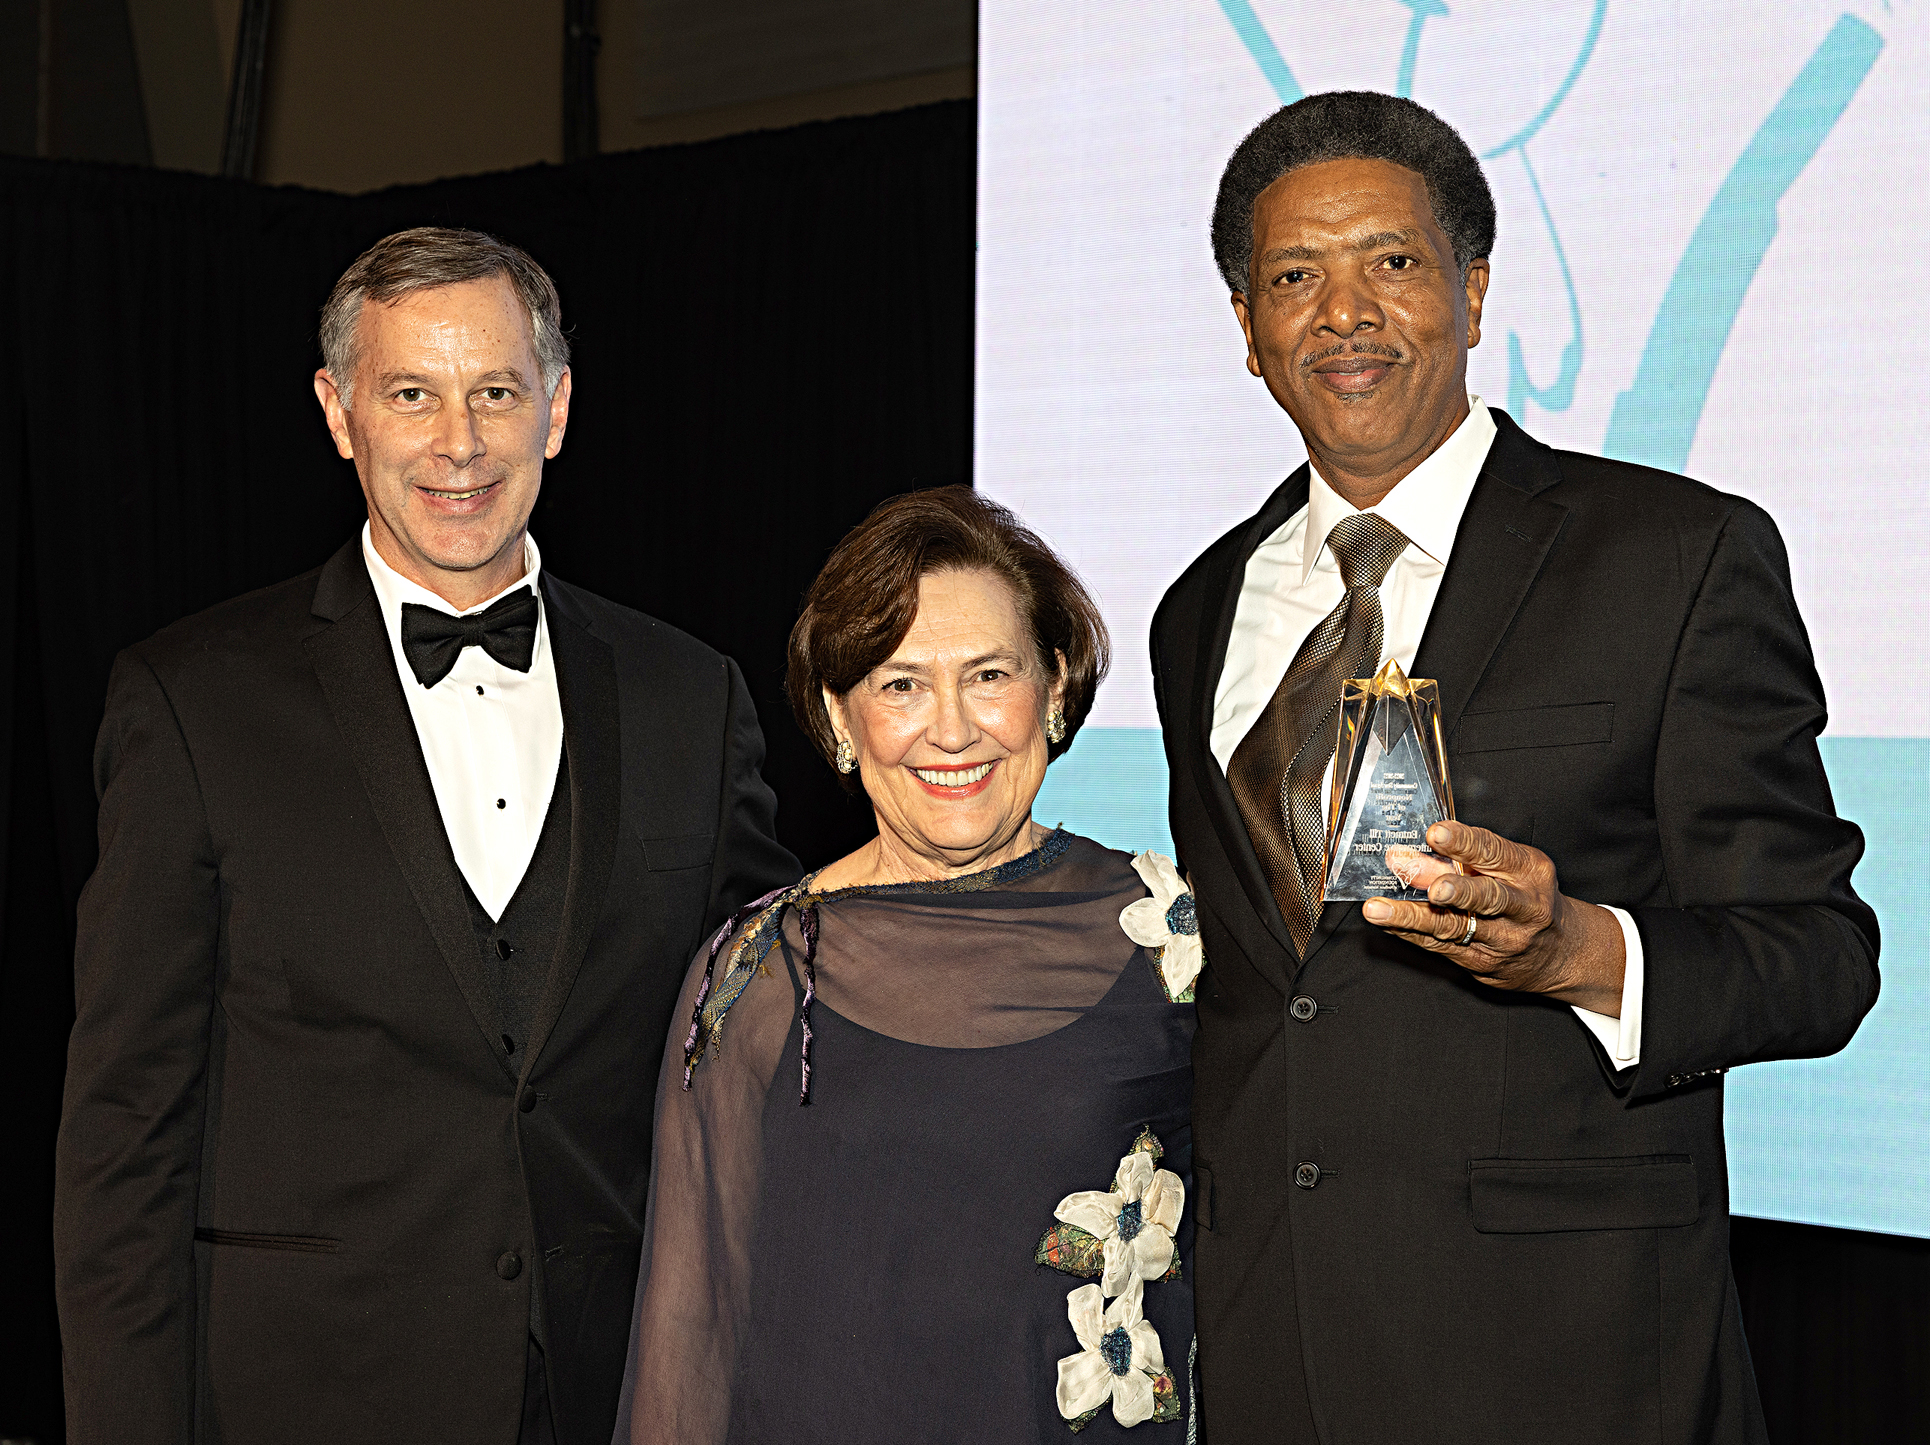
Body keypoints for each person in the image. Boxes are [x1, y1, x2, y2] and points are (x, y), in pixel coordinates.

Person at [1151, 92, 1879, 1443]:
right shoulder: (1196, 609)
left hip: (1566, 1360)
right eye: (1293, 278)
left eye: (1391, 261)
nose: (1343, 312)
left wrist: (1576, 951)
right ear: (1248, 331)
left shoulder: (1675, 554)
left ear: (1473, 292)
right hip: (1272, 1347)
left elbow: (1819, 956)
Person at [53, 227, 797, 1445]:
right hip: (301, 1396)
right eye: (411, 394)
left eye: (495, 391)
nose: (460, 441)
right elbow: (124, 1134)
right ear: (338, 412)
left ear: (557, 409)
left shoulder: (689, 696)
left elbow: (773, 1031)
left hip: (619, 1393)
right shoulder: (193, 703)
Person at [612, 487, 1199, 1442]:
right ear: (840, 717)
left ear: (1054, 688)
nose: (953, 729)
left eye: (989, 675)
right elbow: (693, 1336)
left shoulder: (1165, 936)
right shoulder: (760, 972)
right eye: (901, 685)